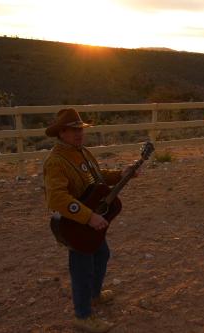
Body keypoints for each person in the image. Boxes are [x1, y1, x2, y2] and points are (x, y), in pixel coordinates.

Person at [43, 108, 138, 332]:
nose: (79, 133)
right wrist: (89, 216)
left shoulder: (82, 152)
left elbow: (97, 175)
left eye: (80, 129)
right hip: (75, 224)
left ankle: (94, 296)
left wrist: (120, 174)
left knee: (101, 253)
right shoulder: (55, 161)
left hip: (89, 220)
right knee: (82, 267)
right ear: (61, 132)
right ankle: (83, 317)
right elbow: (56, 199)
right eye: (73, 130)